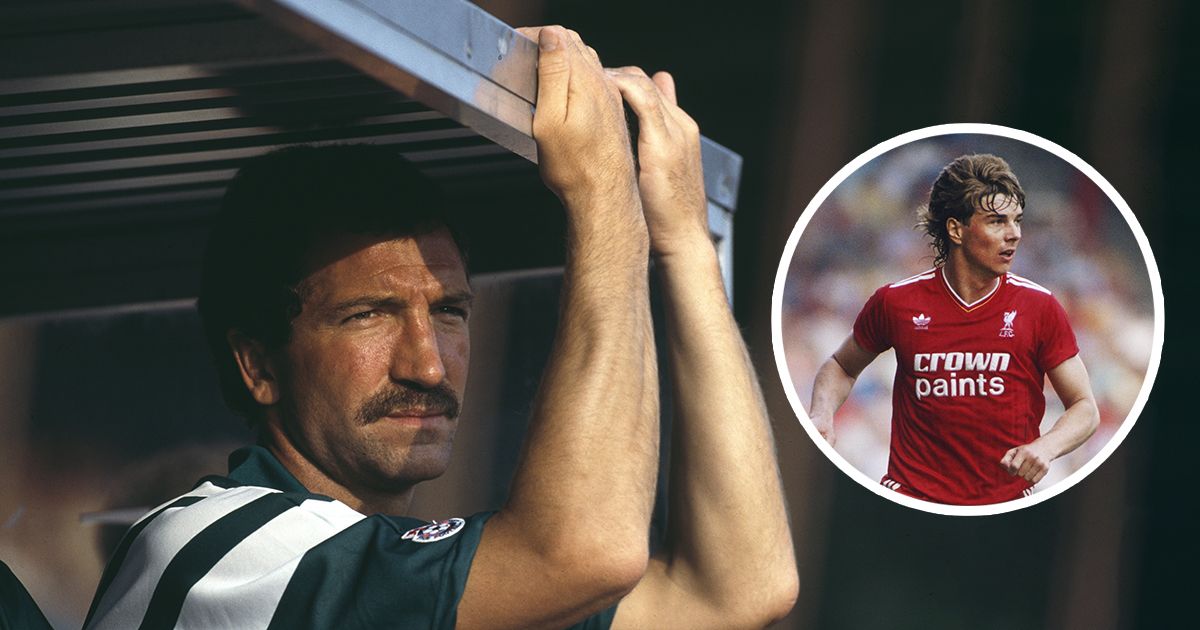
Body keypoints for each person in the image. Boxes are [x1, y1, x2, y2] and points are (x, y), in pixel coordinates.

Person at [83, 26, 797, 629]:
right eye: (368, 315)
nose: (427, 366)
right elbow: (589, 552)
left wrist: (685, 246)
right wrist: (603, 190)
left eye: (449, 312)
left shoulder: (414, 577)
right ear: (258, 366)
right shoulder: (220, 549)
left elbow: (737, 591)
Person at [809, 153, 1100, 506]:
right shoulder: (896, 302)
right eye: (996, 222)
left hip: (1005, 505)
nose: (1014, 235)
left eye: (1017, 221)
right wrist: (823, 412)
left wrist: (1046, 446)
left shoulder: (1040, 307)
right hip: (909, 499)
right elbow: (840, 366)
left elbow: (1085, 407)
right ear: (956, 229)